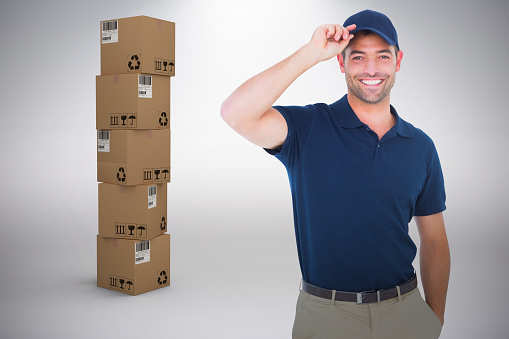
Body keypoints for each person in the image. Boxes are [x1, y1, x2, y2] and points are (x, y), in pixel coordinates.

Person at [221, 9, 450, 339]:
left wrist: (434, 321)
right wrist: (311, 53)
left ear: (397, 61)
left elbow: (435, 239)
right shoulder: (309, 128)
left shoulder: (421, 146)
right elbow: (235, 113)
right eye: (358, 57)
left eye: (382, 56)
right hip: (326, 316)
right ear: (341, 63)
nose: (371, 69)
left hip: (405, 311)